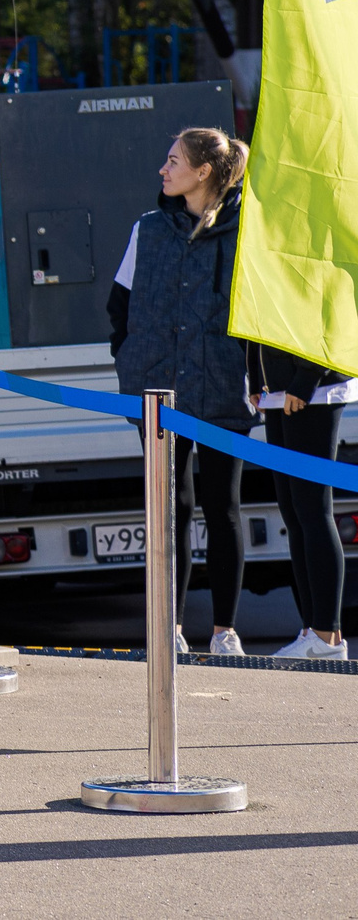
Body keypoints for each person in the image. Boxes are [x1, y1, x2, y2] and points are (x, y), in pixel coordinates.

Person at [108, 128, 258, 656]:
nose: (162, 170)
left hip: (222, 389)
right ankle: (168, 627)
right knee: (169, 510)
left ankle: (224, 631)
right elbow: (118, 306)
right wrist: (129, 357)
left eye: (173, 161)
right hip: (157, 390)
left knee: (223, 509)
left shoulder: (247, 232)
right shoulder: (147, 229)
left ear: (202, 173)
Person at [256, 340, 352, 659]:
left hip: (314, 390)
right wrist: (256, 373)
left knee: (314, 512)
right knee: (295, 517)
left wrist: (307, 378)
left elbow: (329, 316)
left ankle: (326, 636)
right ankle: (313, 632)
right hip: (278, 389)